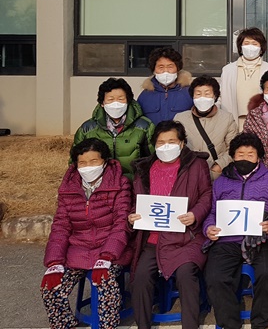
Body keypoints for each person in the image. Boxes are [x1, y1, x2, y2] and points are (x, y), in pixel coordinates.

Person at [128, 120, 212, 329]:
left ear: (182, 143)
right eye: (161, 142)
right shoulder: (144, 169)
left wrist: (195, 214)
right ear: (154, 145)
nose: (166, 146)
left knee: (186, 274)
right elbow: (138, 202)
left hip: (187, 237)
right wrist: (134, 216)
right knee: (140, 277)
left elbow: (206, 195)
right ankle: (143, 325)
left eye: (172, 141)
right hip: (153, 239)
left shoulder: (196, 165)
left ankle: (190, 325)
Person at [41, 138, 133, 329]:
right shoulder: (68, 188)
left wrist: (107, 256)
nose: (88, 167)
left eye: (94, 161)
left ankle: (108, 326)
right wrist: (54, 262)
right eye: (82, 163)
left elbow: (121, 223)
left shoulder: (120, 184)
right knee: (50, 288)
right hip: (78, 250)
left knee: (105, 284)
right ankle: (65, 324)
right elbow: (60, 227)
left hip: (110, 250)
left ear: (105, 161)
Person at [203, 133, 268, 329]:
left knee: (267, 273)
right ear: (232, 156)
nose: (245, 158)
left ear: (259, 157)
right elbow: (212, 212)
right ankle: (230, 323)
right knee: (215, 276)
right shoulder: (221, 181)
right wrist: (209, 228)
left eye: (250, 154)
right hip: (227, 239)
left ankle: (261, 323)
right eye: (240, 154)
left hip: (261, 239)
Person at [74, 77, 155, 179]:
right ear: (102, 103)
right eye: (110, 99)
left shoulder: (144, 127)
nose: (116, 104)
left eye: (121, 99)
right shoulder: (87, 129)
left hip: (133, 183)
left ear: (128, 101)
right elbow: (75, 161)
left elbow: (153, 159)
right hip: (100, 184)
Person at [174, 75, 238, 181]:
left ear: (215, 96)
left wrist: (219, 165)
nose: (202, 98)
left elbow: (234, 148)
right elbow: (176, 145)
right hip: (188, 174)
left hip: (216, 175)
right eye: (198, 94)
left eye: (207, 94)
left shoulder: (227, 118)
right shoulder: (180, 118)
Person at [220, 28, 268, 130]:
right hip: (234, 123)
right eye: (246, 43)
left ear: (261, 48)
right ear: (240, 47)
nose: (250, 47)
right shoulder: (228, 70)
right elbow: (221, 97)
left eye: (254, 44)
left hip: (262, 125)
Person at [137, 47, 193, 125]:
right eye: (161, 67)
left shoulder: (189, 93)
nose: (165, 71)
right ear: (154, 70)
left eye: (170, 67)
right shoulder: (145, 96)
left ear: (177, 69)